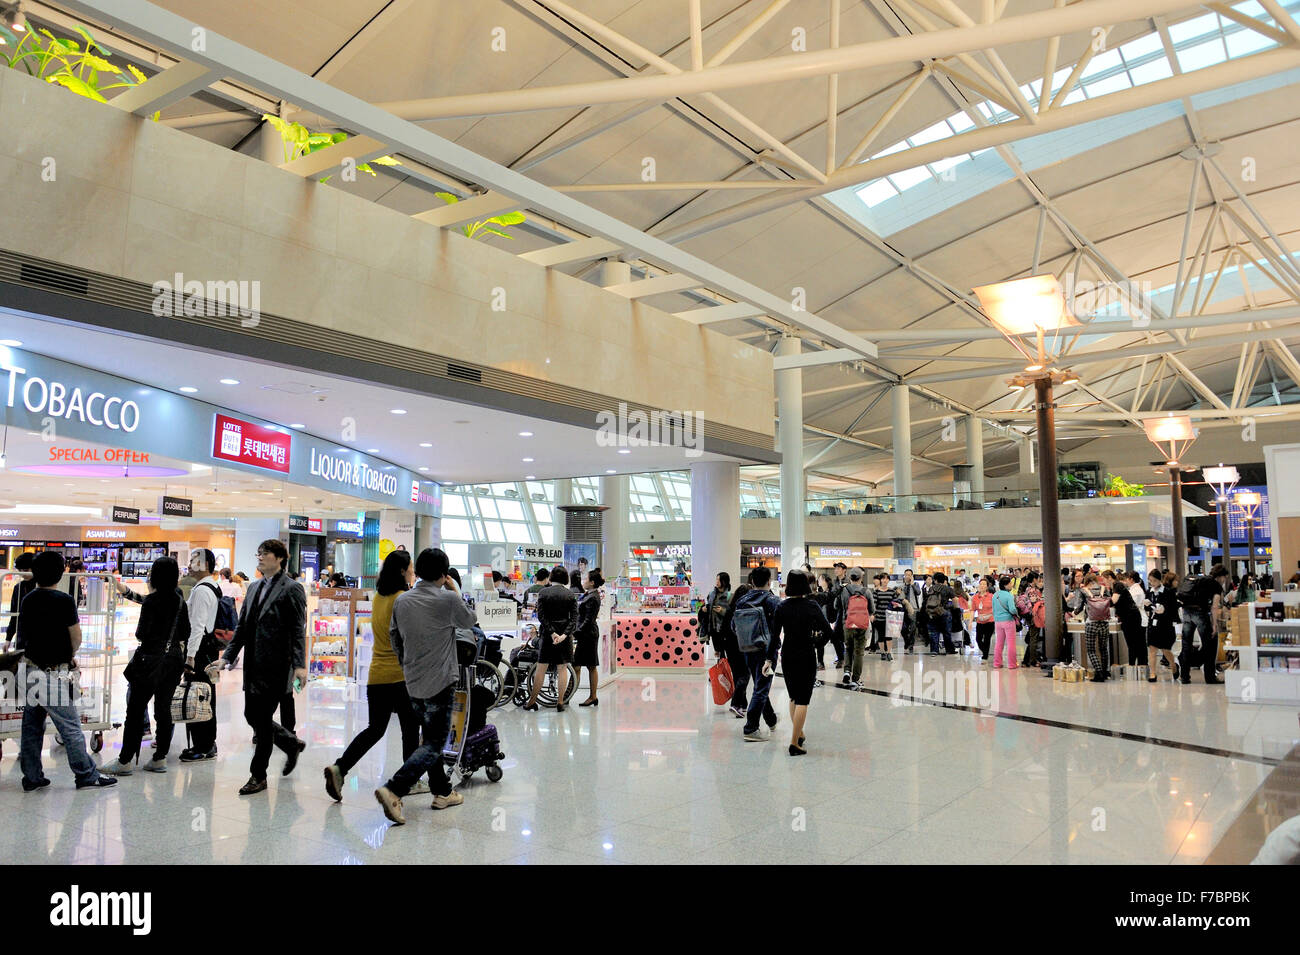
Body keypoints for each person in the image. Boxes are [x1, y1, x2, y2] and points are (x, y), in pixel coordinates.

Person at [373, 548, 477, 823]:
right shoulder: (448, 600)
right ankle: (394, 788)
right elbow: (470, 620)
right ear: (444, 574)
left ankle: (442, 791)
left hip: (412, 681)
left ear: (416, 571)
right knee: (433, 743)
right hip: (441, 681)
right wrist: (454, 590)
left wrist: (406, 663)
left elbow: (395, 637)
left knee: (426, 737)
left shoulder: (403, 601)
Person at [324, 550, 430, 801]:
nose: (414, 572)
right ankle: (410, 781)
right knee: (410, 729)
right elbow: (410, 638)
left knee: (374, 729)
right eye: (411, 568)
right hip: (401, 676)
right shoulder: (403, 599)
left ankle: (340, 767)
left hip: (377, 674)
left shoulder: (379, 598)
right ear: (403, 571)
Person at [16, 551, 117, 791]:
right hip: (52, 674)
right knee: (70, 725)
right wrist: (69, 656)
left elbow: (24, 635)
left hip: (29, 670)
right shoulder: (63, 600)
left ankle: (32, 776)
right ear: (61, 573)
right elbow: (75, 636)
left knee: (32, 726)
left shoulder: (28, 599)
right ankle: (86, 774)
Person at [220, 539, 308, 795]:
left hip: (277, 665)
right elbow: (243, 627)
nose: (260, 557)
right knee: (252, 716)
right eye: (258, 553)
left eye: (265, 553)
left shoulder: (292, 589)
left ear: (280, 558)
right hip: (254, 665)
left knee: (261, 721)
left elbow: (296, 630)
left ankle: (258, 775)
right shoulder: (254, 587)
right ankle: (290, 743)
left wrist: (300, 666)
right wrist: (228, 656)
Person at [100, 558, 189, 776]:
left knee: (136, 709)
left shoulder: (152, 601)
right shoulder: (179, 600)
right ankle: (159, 759)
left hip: (150, 660)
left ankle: (125, 761)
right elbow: (185, 631)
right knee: (163, 710)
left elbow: (142, 633)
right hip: (173, 661)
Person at [773, 570, 832, 756]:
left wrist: (769, 658)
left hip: (788, 654)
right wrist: (816, 643)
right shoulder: (812, 606)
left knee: (793, 697)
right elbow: (828, 632)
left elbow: (774, 637)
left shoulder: (782, 607)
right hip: (806, 654)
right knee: (803, 700)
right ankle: (794, 743)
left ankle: (800, 734)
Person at [178, 549, 223, 762]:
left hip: (200, 651)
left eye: (194, 560)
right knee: (205, 695)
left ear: (204, 564)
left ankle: (202, 745)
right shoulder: (210, 586)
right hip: (207, 650)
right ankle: (206, 743)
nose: (189, 563)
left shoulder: (203, 590)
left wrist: (190, 657)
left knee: (198, 696)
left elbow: (197, 627)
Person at [733, 566, 781, 742]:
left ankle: (771, 720)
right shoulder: (772, 601)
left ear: (752, 581)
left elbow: (733, 626)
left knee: (760, 685)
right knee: (761, 687)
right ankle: (751, 728)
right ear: (769, 581)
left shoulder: (742, 600)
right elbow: (778, 628)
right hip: (766, 651)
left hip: (747, 649)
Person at [525, 565, 577, 711]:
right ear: (565, 578)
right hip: (564, 637)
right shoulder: (570, 595)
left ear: (552, 576)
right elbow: (574, 619)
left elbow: (541, 616)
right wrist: (563, 635)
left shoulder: (543, 593)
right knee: (562, 668)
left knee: (541, 668)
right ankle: (560, 702)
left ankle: (532, 701)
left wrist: (552, 633)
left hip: (547, 636)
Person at [1179, 564, 1229, 685]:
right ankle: (1210, 677)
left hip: (1186, 612)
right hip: (1200, 614)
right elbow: (1214, 606)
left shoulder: (1200, 580)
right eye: (1224, 578)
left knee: (1186, 644)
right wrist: (1214, 625)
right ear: (1221, 576)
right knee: (1210, 644)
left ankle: (1185, 677)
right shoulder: (1216, 585)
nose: (1224, 580)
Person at [719, 575, 753, 718]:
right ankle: (735, 703)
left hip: (729, 647)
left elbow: (723, 630)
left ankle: (743, 704)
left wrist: (721, 650)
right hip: (742, 646)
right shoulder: (744, 611)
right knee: (745, 674)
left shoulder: (729, 610)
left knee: (738, 674)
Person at [837, 568, 872, 689]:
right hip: (862, 624)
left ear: (850, 578)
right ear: (861, 578)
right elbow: (872, 610)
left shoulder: (844, 590)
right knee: (859, 652)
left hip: (847, 623)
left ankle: (847, 671)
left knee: (848, 648)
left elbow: (836, 606)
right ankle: (855, 679)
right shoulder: (866, 591)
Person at [574, 569, 604, 707]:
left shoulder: (593, 597)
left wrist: (577, 632)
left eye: (586, 579)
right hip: (586, 634)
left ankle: (592, 696)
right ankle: (574, 694)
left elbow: (588, 620)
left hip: (588, 635)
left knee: (589, 665)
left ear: (592, 582)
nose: (583, 581)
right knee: (580, 665)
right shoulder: (589, 595)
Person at [1146, 571, 1180, 683]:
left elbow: (1173, 608)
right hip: (1153, 624)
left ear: (1159, 580)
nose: (1152, 583)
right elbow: (1148, 608)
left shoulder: (1168, 592)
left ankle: (1173, 666)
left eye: (1154, 581)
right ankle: (1152, 673)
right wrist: (1147, 606)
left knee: (1165, 649)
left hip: (1165, 624)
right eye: (1150, 581)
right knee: (1152, 649)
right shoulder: (1149, 592)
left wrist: (1164, 610)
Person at [1081, 572, 1112, 682]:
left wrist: (1075, 612)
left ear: (1087, 581)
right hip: (1104, 623)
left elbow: (1079, 607)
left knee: (1091, 650)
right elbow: (1111, 603)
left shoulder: (1084, 591)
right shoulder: (1104, 589)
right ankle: (1105, 672)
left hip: (1091, 623)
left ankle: (1098, 673)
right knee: (1103, 649)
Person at [3, 551, 36, 650]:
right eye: (20, 570)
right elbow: (14, 614)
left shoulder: (45, 585)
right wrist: (8, 638)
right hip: (22, 635)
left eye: (25, 569)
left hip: (41, 634)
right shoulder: (19, 587)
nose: (22, 573)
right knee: (21, 663)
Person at [701, 572, 732, 672]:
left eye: (719, 580)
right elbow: (707, 606)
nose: (717, 582)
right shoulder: (711, 594)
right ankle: (721, 671)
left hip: (725, 628)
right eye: (716, 579)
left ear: (725, 581)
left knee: (725, 651)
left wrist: (722, 611)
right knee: (718, 651)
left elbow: (733, 613)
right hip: (713, 628)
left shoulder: (730, 596)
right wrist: (704, 608)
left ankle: (725, 672)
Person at [923, 572, 957, 654]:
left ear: (935, 580)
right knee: (946, 632)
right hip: (944, 612)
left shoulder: (931, 588)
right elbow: (955, 599)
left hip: (933, 612)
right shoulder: (948, 589)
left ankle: (934, 650)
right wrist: (955, 608)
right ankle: (949, 649)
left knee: (934, 631)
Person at [991, 574, 1019, 670]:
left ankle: (997, 663)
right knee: (1011, 643)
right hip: (1008, 621)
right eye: (1010, 583)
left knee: (999, 643)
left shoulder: (995, 595)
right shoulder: (1009, 596)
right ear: (1006, 585)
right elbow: (1012, 610)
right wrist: (1017, 612)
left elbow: (993, 609)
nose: (1011, 585)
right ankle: (1012, 664)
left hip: (998, 622)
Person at [1018, 572, 1044, 667]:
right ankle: (1032, 660)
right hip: (1034, 616)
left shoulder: (1027, 588)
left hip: (1030, 616)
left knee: (1031, 638)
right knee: (1033, 638)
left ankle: (1027, 660)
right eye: (1038, 579)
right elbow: (1036, 602)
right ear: (1034, 579)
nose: (1039, 581)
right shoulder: (1032, 590)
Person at [871, 573, 894, 661]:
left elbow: (894, 601)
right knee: (880, 636)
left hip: (889, 617)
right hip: (879, 617)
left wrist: (895, 605)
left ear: (888, 580)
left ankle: (888, 652)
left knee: (889, 636)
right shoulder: (876, 591)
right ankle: (882, 652)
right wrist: (873, 614)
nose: (885, 580)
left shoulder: (891, 591)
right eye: (883, 579)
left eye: (886, 579)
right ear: (880, 580)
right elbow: (874, 604)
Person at [971, 576, 995, 662]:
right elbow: (972, 610)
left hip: (990, 620)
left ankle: (985, 655)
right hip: (980, 620)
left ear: (987, 586)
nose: (982, 586)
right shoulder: (975, 597)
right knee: (978, 639)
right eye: (981, 584)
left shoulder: (992, 596)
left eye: (984, 584)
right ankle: (985, 651)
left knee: (987, 638)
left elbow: (996, 608)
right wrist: (970, 622)